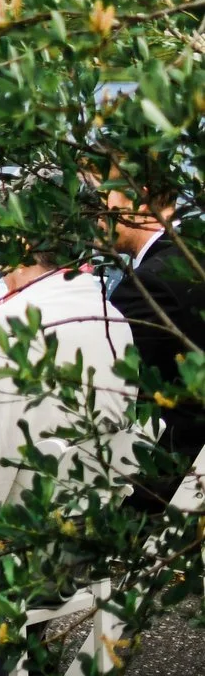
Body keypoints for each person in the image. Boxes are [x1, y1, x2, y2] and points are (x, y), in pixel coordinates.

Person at [0, 258, 128, 503]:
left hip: (2, 515)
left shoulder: (6, 324)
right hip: (80, 510)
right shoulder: (114, 319)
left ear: (22, 245)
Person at [106, 198, 205, 504]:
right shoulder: (193, 253)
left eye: (100, 196)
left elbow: (113, 383)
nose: (94, 212)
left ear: (137, 198)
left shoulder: (151, 282)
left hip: (164, 486)